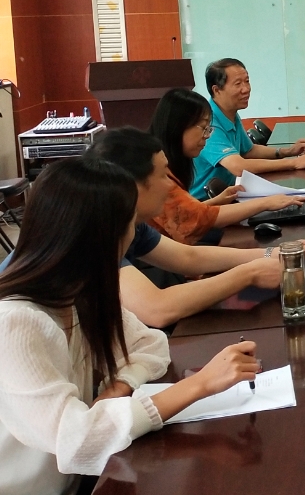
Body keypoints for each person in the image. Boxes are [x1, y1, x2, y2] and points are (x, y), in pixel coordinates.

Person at [0, 158, 260, 495]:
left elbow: (151, 344)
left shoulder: (80, 294)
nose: (134, 234)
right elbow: (77, 440)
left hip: (81, 477)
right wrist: (199, 384)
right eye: (130, 224)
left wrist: (119, 386)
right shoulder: (16, 322)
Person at [86, 128, 305, 329]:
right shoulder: (96, 234)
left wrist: (274, 253)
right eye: (162, 176)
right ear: (132, 186)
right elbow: (157, 309)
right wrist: (249, 273)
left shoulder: (131, 222)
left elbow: (188, 257)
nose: (170, 186)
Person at [149, 88, 305, 245]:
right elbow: (196, 222)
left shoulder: (173, 163)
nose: (207, 136)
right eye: (203, 128)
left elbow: (184, 213)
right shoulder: (158, 175)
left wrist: (216, 201)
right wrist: (266, 203)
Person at [191, 58, 305, 197]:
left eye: (247, 81)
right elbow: (238, 167)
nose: (246, 89)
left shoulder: (230, 112)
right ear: (217, 90)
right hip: (204, 202)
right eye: (238, 84)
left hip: (228, 194)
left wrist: (287, 151)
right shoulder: (208, 123)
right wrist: (294, 163)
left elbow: (249, 150)